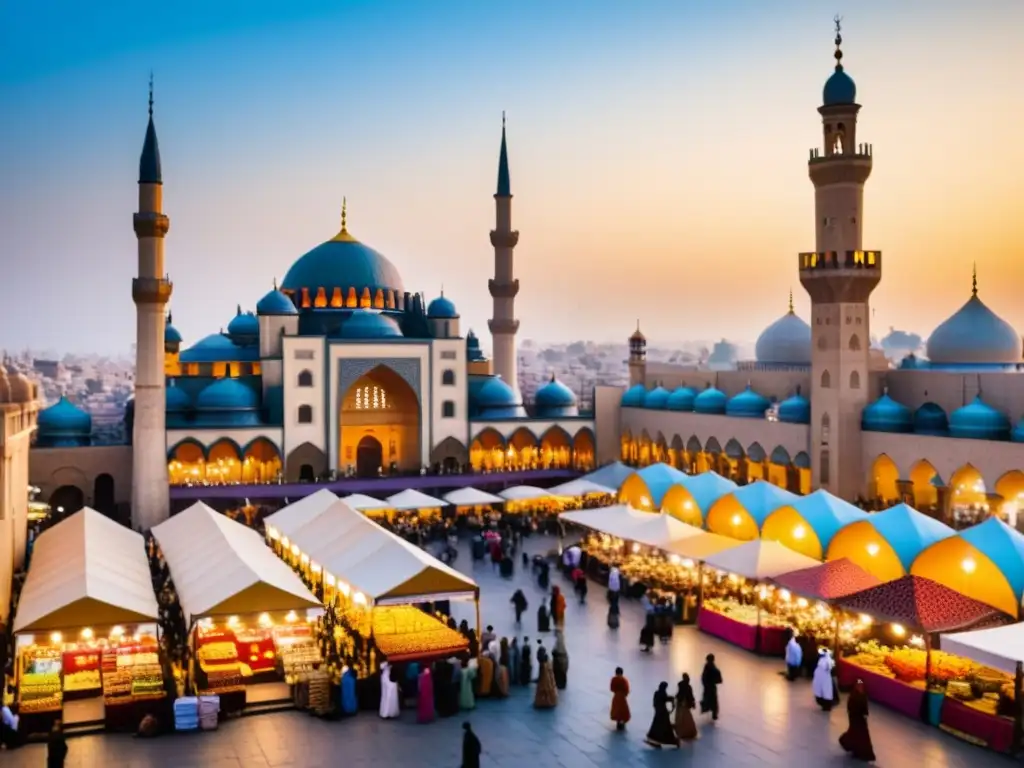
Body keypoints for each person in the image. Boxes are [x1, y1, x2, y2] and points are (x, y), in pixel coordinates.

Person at [838, 679, 876, 762]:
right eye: (859, 685)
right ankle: (860, 752)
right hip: (856, 719)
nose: (860, 687)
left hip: (859, 719)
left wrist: (865, 714)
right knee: (859, 735)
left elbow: (863, 707)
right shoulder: (855, 695)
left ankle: (857, 750)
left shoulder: (859, 695)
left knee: (858, 735)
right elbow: (853, 708)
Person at [645, 682, 679, 748]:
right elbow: (666, 699)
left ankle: (657, 739)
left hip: (658, 711)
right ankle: (672, 741)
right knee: (666, 727)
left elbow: (655, 702)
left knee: (657, 726)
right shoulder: (663, 693)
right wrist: (672, 699)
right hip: (663, 712)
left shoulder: (656, 693)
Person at [533, 642, 558, 709]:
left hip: (545, 684)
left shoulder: (543, 665)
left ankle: (544, 703)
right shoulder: (548, 661)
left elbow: (542, 677)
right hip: (551, 684)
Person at [674, 673, 698, 741]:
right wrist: (692, 703)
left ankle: (681, 732)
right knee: (686, 718)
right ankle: (687, 732)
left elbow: (679, 693)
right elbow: (690, 696)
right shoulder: (688, 686)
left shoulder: (681, 684)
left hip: (681, 703)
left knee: (680, 718)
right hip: (685, 704)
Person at [700, 654, 722, 721]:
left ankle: (709, 710)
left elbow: (704, 676)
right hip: (710, 687)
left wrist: (705, 683)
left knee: (709, 699)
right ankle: (713, 713)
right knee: (712, 700)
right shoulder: (713, 668)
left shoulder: (709, 667)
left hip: (709, 687)